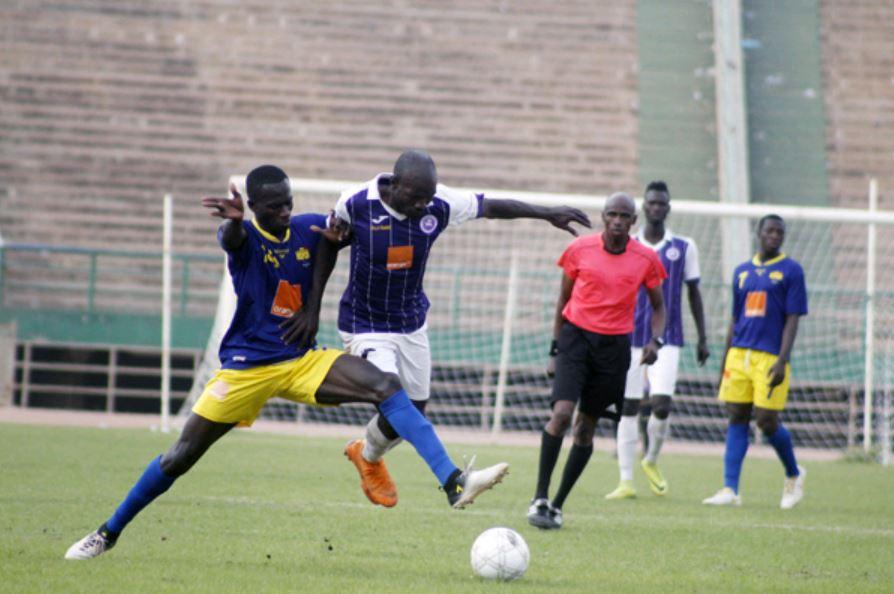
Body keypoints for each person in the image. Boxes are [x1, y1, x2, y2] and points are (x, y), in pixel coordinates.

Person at [64, 165, 509, 560]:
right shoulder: (245, 238)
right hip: (245, 369)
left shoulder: (309, 228)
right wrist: (237, 224)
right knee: (179, 457)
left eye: (288, 204)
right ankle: (107, 533)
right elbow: (232, 239)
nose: (284, 213)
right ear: (253, 206)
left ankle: (453, 482)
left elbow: (339, 241)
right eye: (273, 207)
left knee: (386, 387)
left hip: (299, 361)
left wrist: (325, 279)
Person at [280, 149, 591, 508]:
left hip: (411, 323)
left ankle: (365, 455)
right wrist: (311, 310)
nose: (423, 205)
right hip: (365, 324)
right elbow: (328, 244)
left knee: (411, 409)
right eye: (416, 198)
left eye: (427, 198)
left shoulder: (438, 202)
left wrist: (546, 213)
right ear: (395, 185)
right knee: (389, 392)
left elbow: (491, 206)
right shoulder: (357, 202)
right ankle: (454, 480)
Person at [526, 192, 667, 530]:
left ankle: (558, 505)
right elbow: (562, 301)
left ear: (633, 221)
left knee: (585, 429)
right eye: (612, 214)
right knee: (560, 415)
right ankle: (539, 497)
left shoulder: (645, 259)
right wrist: (554, 351)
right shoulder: (579, 249)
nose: (617, 220)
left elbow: (660, 308)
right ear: (603, 217)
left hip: (614, 349)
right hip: (575, 340)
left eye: (624, 215)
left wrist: (654, 340)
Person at [606, 181, 710, 500]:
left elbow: (693, 292)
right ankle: (625, 480)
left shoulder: (684, 247)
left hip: (668, 338)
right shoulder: (628, 246)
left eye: (660, 203)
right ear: (643, 208)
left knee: (662, 404)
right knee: (628, 406)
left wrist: (703, 337)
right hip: (628, 336)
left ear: (667, 207)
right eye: (650, 202)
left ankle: (650, 459)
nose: (655, 207)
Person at [703, 214, 808, 509]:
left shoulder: (791, 271)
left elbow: (792, 319)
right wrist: (725, 360)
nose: (775, 236)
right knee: (736, 416)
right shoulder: (742, 272)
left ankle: (794, 473)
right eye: (770, 231)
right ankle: (730, 488)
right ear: (758, 233)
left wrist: (782, 359)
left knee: (766, 420)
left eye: (780, 232)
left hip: (769, 357)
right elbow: (735, 320)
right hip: (739, 355)